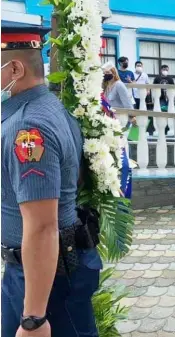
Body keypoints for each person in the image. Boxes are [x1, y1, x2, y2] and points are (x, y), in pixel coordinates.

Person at [1, 23, 101, 336]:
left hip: (47, 279)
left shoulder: (28, 128)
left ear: (15, 68)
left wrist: (33, 319)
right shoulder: (49, 108)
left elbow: (43, 225)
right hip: (44, 270)